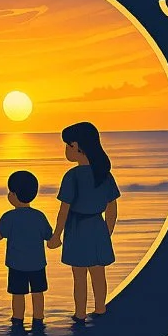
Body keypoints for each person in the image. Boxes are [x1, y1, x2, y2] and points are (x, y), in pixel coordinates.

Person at [56, 122, 118, 321]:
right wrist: (106, 232)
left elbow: (64, 209)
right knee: (99, 274)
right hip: (97, 227)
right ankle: (100, 308)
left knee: (79, 276)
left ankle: (80, 313)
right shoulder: (104, 175)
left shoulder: (72, 176)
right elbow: (112, 207)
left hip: (77, 228)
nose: (66, 150)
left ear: (77, 146)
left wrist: (57, 235)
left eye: (68, 145)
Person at [0, 168, 52, 331]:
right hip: (37, 264)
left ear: (14, 195)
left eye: (10, 192)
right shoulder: (39, 216)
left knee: (18, 295)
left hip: (16, 265)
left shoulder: (9, 217)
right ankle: (38, 319)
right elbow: (49, 235)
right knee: (38, 293)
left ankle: (18, 320)